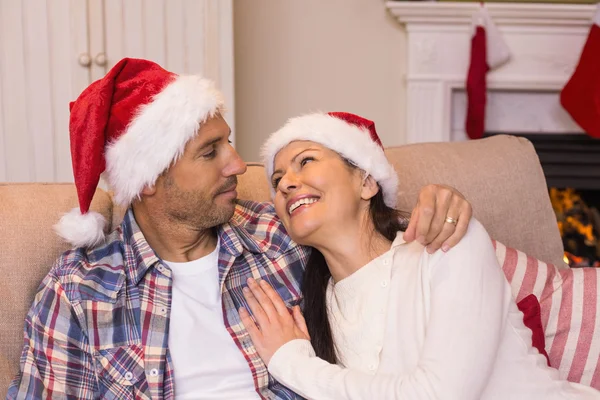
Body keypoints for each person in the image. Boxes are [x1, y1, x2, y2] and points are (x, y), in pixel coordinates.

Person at [7, 59, 472, 400]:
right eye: (210, 153)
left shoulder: (282, 235)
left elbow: (379, 240)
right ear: (147, 182)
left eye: (227, 142)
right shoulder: (80, 291)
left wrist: (441, 206)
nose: (236, 164)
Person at [239, 112, 600, 400]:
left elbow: (439, 394)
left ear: (367, 182)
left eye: (306, 161)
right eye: (277, 178)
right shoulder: (318, 312)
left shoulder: (447, 242)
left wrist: (292, 363)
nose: (286, 182)